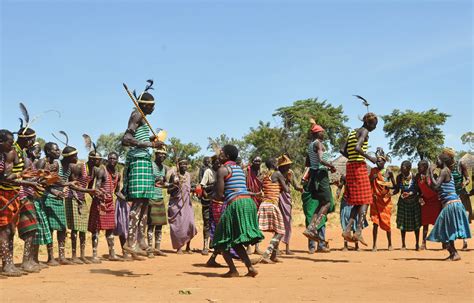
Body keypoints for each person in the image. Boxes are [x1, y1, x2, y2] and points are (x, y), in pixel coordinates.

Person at [121, 80, 163, 257]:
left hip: (145, 161)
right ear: (145, 105)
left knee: (145, 202)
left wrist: (151, 141)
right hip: (138, 161)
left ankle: (141, 241)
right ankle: (130, 242)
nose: (153, 109)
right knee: (138, 203)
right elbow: (126, 139)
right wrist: (149, 144)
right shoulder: (136, 114)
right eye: (152, 106)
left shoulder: (143, 119)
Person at [211, 145, 263, 277]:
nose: (219, 155)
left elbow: (219, 195)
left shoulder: (222, 170)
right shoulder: (239, 169)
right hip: (248, 203)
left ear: (227, 156)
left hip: (236, 203)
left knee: (220, 239)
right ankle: (250, 268)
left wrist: (211, 194)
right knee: (235, 239)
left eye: (221, 153)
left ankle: (233, 270)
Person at [0, 129, 41, 276]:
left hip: (12, 193)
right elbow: (5, 177)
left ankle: (8, 264)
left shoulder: (15, 152)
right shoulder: (11, 153)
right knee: (5, 230)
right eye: (9, 142)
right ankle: (7, 265)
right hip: (4, 193)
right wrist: (23, 176)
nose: (33, 142)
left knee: (10, 230)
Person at [340, 112, 378, 246]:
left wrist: (351, 157)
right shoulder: (365, 131)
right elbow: (357, 147)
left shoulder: (352, 132)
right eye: (374, 125)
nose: (374, 128)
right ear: (368, 123)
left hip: (350, 166)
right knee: (367, 199)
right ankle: (359, 231)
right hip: (358, 167)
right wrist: (370, 158)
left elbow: (342, 150)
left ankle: (348, 229)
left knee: (358, 201)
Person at [426, 149, 471, 261]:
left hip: (451, 205)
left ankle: (454, 253)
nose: (436, 163)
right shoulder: (446, 171)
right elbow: (435, 189)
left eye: (437, 160)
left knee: (441, 229)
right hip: (453, 204)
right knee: (447, 230)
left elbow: (436, 187)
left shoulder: (444, 171)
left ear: (442, 161)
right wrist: (428, 177)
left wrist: (431, 172)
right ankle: (453, 253)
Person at [303, 120, 336, 245]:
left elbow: (307, 163)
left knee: (321, 203)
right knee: (327, 203)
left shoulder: (310, 145)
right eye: (322, 132)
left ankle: (311, 227)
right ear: (318, 134)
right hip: (321, 175)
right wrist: (331, 166)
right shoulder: (319, 144)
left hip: (314, 175)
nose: (324, 133)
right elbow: (322, 160)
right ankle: (313, 228)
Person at [65, 149, 100, 264]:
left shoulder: (94, 170)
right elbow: (73, 185)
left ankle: (83, 255)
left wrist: (96, 196)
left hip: (82, 198)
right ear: (91, 159)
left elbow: (89, 187)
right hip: (73, 197)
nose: (99, 161)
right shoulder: (79, 167)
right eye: (97, 159)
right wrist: (88, 190)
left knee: (83, 228)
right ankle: (74, 256)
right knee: (75, 228)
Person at [88, 151, 124, 262]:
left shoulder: (117, 174)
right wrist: (99, 197)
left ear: (117, 160)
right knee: (96, 229)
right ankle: (94, 255)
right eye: (110, 158)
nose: (112, 160)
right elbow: (96, 187)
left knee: (110, 229)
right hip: (100, 203)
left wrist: (126, 199)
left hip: (110, 203)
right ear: (107, 159)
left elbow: (117, 192)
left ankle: (112, 253)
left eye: (114, 158)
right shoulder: (102, 171)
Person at [253, 158, 288, 264]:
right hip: (272, 204)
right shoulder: (277, 174)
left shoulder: (265, 175)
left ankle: (273, 255)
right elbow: (286, 189)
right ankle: (267, 254)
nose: (278, 164)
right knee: (280, 231)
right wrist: (287, 180)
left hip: (265, 204)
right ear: (273, 164)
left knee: (278, 230)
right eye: (276, 163)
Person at [168, 158, 197, 254]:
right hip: (177, 204)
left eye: (186, 164)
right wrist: (175, 184)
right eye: (182, 164)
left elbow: (189, 188)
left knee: (190, 224)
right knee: (178, 226)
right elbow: (169, 190)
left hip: (187, 204)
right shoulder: (174, 176)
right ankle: (179, 247)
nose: (184, 166)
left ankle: (188, 246)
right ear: (178, 165)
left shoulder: (188, 175)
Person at [369, 148, 395, 252]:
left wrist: (385, 183)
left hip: (385, 201)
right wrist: (373, 178)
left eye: (380, 161)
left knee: (387, 222)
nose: (378, 162)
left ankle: (390, 244)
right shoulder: (373, 171)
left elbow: (394, 186)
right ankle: (374, 245)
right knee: (375, 223)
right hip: (375, 200)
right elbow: (368, 182)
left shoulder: (389, 172)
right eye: (377, 161)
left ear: (384, 161)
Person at [302, 168, 333, 253]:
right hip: (312, 199)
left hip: (319, 198)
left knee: (321, 219)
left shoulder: (318, 170)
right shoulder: (309, 170)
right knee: (311, 219)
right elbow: (303, 182)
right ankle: (312, 246)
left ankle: (321, 245)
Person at [277, 154, 303, 255]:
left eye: (288, 165)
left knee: (287, 222)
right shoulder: (277, 174)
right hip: (278, 198)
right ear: (281, 166)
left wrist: (302, 189)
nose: (288, 167)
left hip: (286, 199)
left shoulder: (290, 173)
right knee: (278, 223)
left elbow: (296, 186)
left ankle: (287, 247)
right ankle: (277, 248)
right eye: (286, 165)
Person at [394, 160, 421, 251]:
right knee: (403, 224)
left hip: (414, 202)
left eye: (403, 167)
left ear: (409, 168)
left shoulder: (414, 177)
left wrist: (410, 193)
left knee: (416, 223)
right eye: (401, 167)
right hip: (403, 203)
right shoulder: (399, 177)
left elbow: (417, 190)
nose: (401, 169)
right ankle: (403, 244)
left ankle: (417, 244)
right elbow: (397, 189)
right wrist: (390, 192)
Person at [415, 160, 442, 250]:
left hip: (435, 201)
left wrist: (427, 180)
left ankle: (444, 242)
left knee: (438, 223)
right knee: (425, 223)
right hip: (426, 202)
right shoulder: (417, 177)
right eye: (418, 166)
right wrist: (420, 197)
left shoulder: (433, 176)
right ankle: (423, 243)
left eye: (420, 167)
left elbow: (436, 188)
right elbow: (417, 190)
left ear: (426, 167)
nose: (418, 168)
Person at [147, 147, 168, 257]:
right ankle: (150, 249)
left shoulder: (164, 168)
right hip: (151, 197)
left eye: (164, 155)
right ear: (156, 154)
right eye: (160, 154)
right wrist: (157, 181)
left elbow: (163, 183)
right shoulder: (150, 165)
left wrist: (170, 184)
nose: (162, 157)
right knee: (151, 225)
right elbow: (148, 180)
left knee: (160, 225)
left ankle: (157, 248)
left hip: (160, 197)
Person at [337, 175, 366, 251]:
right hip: (346, 201)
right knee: (345, 221)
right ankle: (345, 245)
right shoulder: (344, 177)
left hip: (355, 200)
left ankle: (356, 245)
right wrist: (338, 191)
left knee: (355, 221)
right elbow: (340, 186)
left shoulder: (359, 177)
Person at [200, 154, 220, 255]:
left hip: (218, 203)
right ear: (213, 163)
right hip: (208, 202)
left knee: (217, 224)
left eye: (219, 162)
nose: (218, 164)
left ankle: (216, 245)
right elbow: (202, 186)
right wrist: (207, 196)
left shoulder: (221, 172)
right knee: (207, 223)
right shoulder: (208, 171)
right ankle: (205, 246)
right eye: (216, 162)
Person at [451, 157, 472, 250]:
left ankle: (465, 241)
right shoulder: (445, 167)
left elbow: (468, 179)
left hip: (462, 195)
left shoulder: (460, 164)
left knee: (464, 217)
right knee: (452, 218)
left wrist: (465, 183)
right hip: (450, 195)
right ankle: (451, 242)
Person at [245, 156, 263, 255]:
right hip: (248, 199)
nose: (257, 163)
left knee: (257, 224)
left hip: (258, 200)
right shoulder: (246, 172)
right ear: (252, 162)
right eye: (255, 161)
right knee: (248, 223)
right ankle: (248, 247)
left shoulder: (261, 173)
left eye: (259, 161)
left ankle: (257, 247)